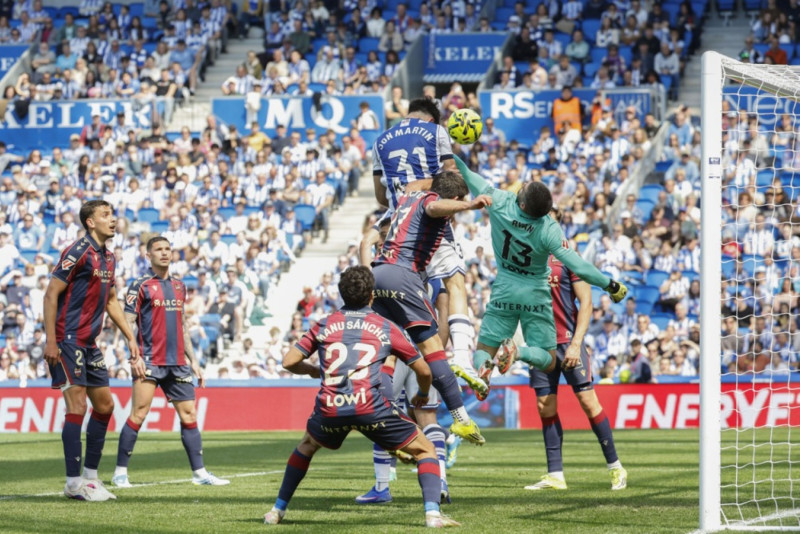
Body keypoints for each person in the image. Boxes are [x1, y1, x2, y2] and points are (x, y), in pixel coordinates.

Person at [263, 266, 460, 528]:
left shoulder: (325, 324)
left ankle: (276, 511)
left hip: (332, 408)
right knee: (425, 450)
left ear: (341, 293)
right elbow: (424, 371)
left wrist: (311, 370)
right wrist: (422, 394)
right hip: (372, 407)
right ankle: (433, 515)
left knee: (307, 446)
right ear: (372, 295)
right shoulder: (386, 326)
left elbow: (289, 361)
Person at [450, 156, 628, 394]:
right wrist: (610, 285)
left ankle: (483, 371)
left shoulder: (501, 202)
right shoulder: (549, 229)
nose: (522, 186)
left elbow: (471, 176)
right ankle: (519, 352)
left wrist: (451, 155)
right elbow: (580, 267)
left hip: (505, 287)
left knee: (484, 349)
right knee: (549, 360)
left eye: (524, 188)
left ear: (523, 205)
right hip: (535, 293)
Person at [372, 97, 488, 400]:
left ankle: (385, 389)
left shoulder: (380, 140)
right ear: (432, 118)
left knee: (401, 313)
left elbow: (380, 198)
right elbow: (451, 178)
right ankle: (460, 358)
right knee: (454, 284)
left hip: (396, 230)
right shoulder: (436, 132)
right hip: (428, 218)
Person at [371, 170, 490, 447]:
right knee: (434, 351)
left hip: (378, 275)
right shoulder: (431, 201)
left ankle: (383, 416)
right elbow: (435, 206)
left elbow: (420, 186)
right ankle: (461, 419)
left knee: (387, 355)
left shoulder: (410, 194)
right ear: (455, 199)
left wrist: (443, 175)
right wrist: (470, 204)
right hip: (402, 275)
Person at [43, 200, 143, 501]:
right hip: (67, 339)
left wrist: (130, 336)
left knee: (105, 406)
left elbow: (111, 300)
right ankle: (73, 483)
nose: (112, 220)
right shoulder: (77, 251)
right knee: (77, 407)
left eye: (113, 214)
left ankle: (90, 478)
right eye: (105, 215)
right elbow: (51, 294)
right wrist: (51, 340)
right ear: (90, 222)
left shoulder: (109, 257)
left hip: (89, 343)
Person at [112, 237, 229, 488]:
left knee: (189, 415)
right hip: (149, 360)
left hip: (178, 363)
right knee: (139, 414)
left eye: (168, 249)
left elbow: (182, 325)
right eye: (158, 250)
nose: (164, 253)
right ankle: (120, 473)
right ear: (148, 256)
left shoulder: (179, 286)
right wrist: (134, 357)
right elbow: (127, 323)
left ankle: (199, 473)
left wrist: (193, 360)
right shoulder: (140, 285)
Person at [524, 209, 627, 492]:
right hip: (540, 345)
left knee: (588, 402)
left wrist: (576, 343)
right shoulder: (527, 257)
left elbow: (586, 303)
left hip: (568, 342)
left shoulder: (569, 256)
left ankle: (615, 467)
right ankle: (555, 475)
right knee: (545, 406)